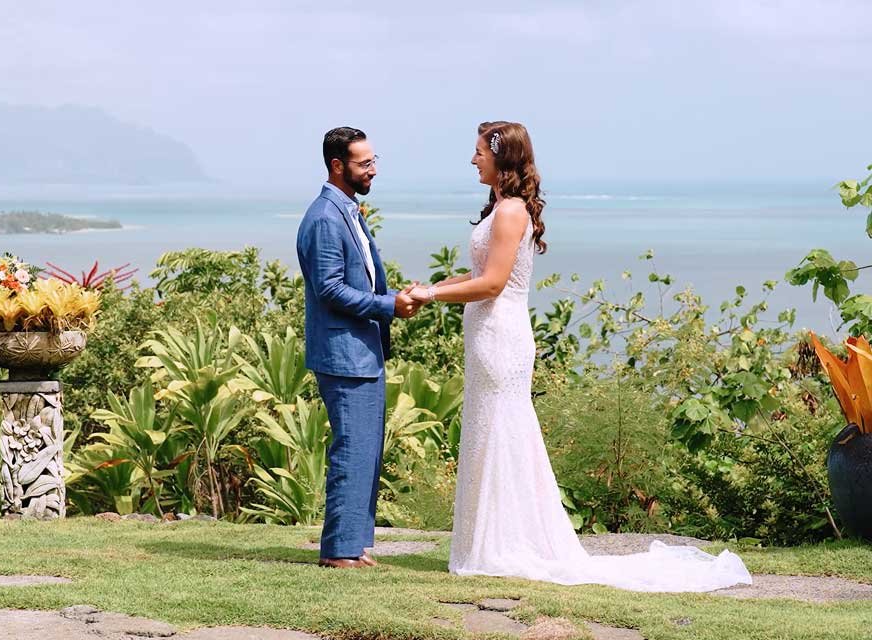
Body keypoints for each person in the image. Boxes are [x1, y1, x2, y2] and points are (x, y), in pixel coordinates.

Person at [409, 123, 752, 591]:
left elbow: (492, 285)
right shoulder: (502, 209)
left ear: (501, 158)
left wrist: (429, 295)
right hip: (486, 333)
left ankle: (503, 543)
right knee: (489, 429)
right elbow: (477, 274)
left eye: (477, 153)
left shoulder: (510, 213)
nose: (473, 161)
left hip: (500, 335)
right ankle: (488, 540)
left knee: (502, 429)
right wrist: (430, 288)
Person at [296, 127, 419, 569]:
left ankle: (355, 544)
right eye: (365, 163)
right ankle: (339, 550)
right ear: (337, 166)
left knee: (366, 447)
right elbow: (329, 288)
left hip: (361, 351)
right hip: (343, 353)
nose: (373, 170)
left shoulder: (347, 210)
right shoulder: (326, 217)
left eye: (373, 161)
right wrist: (389, 305)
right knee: (352, 447)